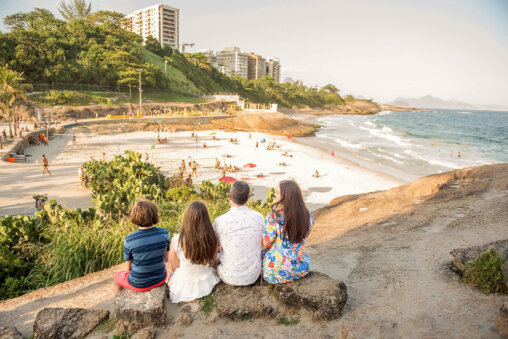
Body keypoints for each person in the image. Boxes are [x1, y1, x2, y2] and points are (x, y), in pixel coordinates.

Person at [213, 181, 265, 285]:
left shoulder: (219, 221)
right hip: (253, 275)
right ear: (248, 197)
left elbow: (216, 247)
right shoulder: (259, 217)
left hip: (228, 276)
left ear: (229, 197)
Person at [114, 200, 170, 295]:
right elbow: (165, 259)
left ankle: (118, 299)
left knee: (116, 276)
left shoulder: (129, 239)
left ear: (135, 216)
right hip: (160, 278)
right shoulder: (164, 233)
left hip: (139, 284)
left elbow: (128, 269)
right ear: (154, 214)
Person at [262, 180, 314, 284]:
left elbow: (266, 243)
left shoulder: (274, 216)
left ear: (285, 196)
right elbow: (306, 234)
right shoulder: (307, 214)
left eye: (277, 193)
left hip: (277, 268)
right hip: (300, 266)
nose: (275, 195)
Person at [168, 201, 220, 303]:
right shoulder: (212, 237)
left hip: (184, 283)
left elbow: (174, 267)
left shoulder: (177, 240)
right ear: (206, 219)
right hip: (206, 279)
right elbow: (212, 262)